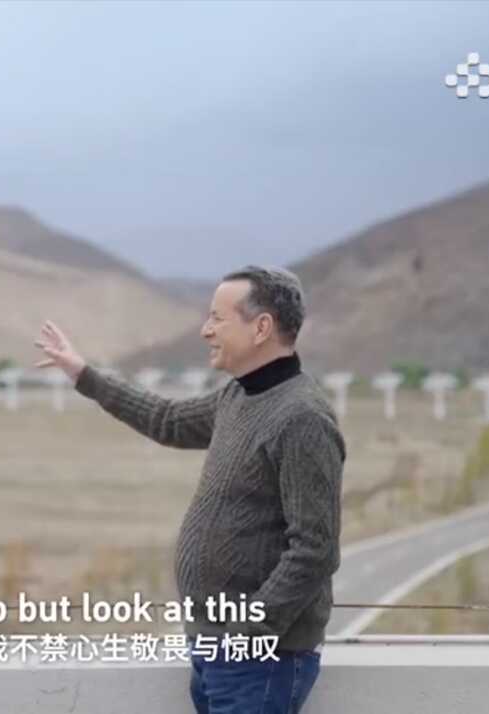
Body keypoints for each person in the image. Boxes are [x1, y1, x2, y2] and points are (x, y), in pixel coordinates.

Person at [35, 265, 343, 714]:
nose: (205, 330)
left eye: (217, 318)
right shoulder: (238, 396)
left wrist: (247, 636)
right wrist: (84, 375)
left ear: (261, 328)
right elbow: (167, 420)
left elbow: (315, 549)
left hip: (259, 659)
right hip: (221, 650)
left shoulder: (303, 418)